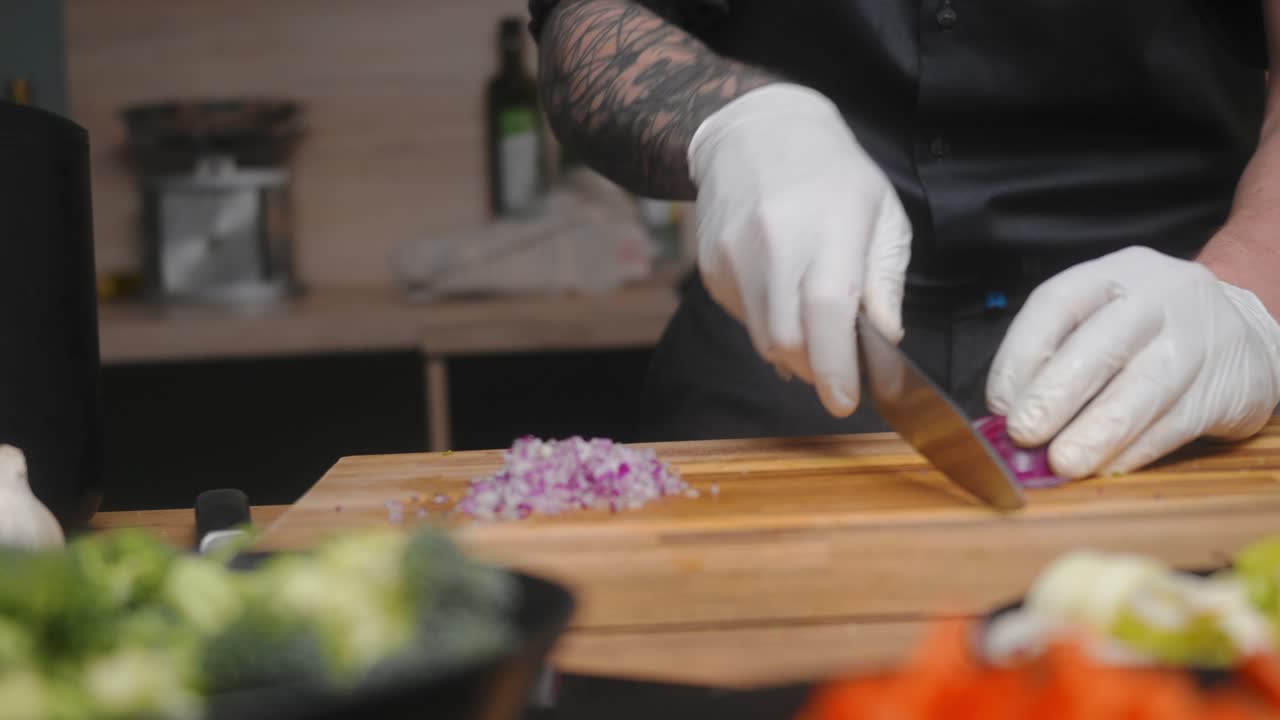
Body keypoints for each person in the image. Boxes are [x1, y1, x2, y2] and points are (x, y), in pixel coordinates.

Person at [526, 0, 1280, 480]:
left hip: (1173, 337)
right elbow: (586, 20)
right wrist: (734, 121)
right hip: (787, 342)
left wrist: (1248, 290)